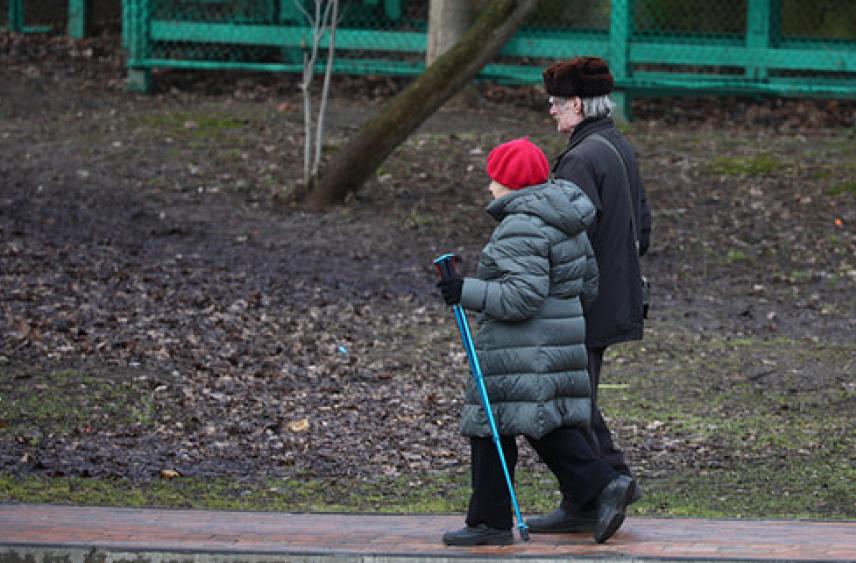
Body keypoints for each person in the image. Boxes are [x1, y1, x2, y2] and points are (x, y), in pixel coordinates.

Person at [436, 137, 636, 546]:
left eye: (494, 178)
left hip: (519, 345)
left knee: (490, 425)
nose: (490, 187)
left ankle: (489, 523)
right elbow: (587, 285)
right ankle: (600, 486)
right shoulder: (564, 218)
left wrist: (464, 290)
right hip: (554, 341)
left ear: (510, 183)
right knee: (540, 426)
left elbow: (520, 296)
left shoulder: (521, 224)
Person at [526, 57, 652, 534]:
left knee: (568, 400)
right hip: (614, 296)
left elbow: (565, 236)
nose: (552, 113)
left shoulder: (581, 158)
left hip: (584, 303)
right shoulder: (616, 146)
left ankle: (606, 485)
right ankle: (595, 492)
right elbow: (644, 227)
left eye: (555, 104)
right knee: (576, 397)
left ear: (576, 103)